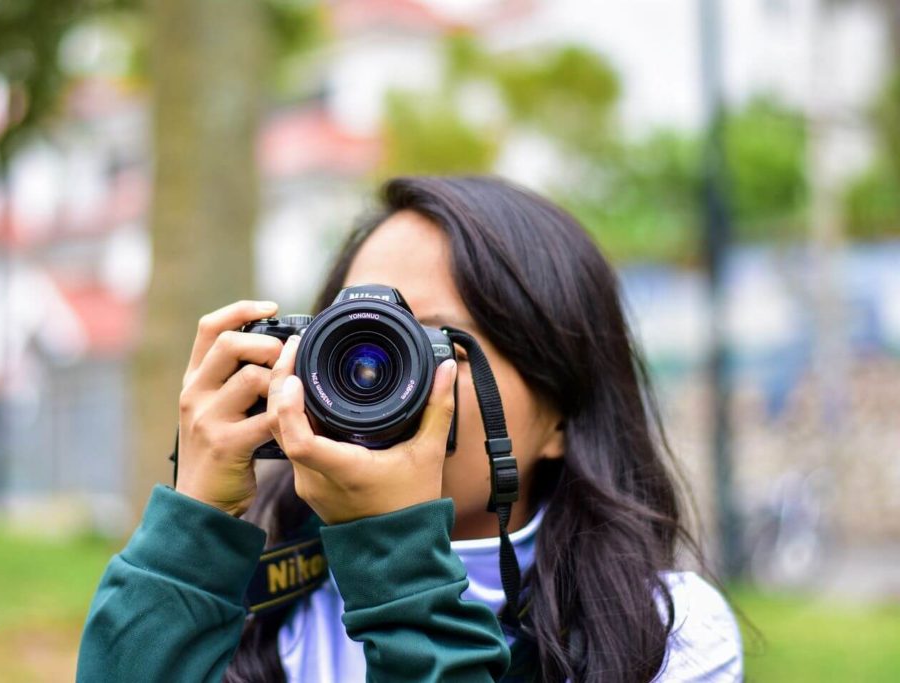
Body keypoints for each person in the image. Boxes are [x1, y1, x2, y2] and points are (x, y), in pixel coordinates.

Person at [77, 176, 743, 682]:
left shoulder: (668, 633)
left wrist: (398, 565)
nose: (377, 375)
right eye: (351, 339)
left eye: (432, 341)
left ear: (561, 416)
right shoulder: (259, 600)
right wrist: (194, 532)